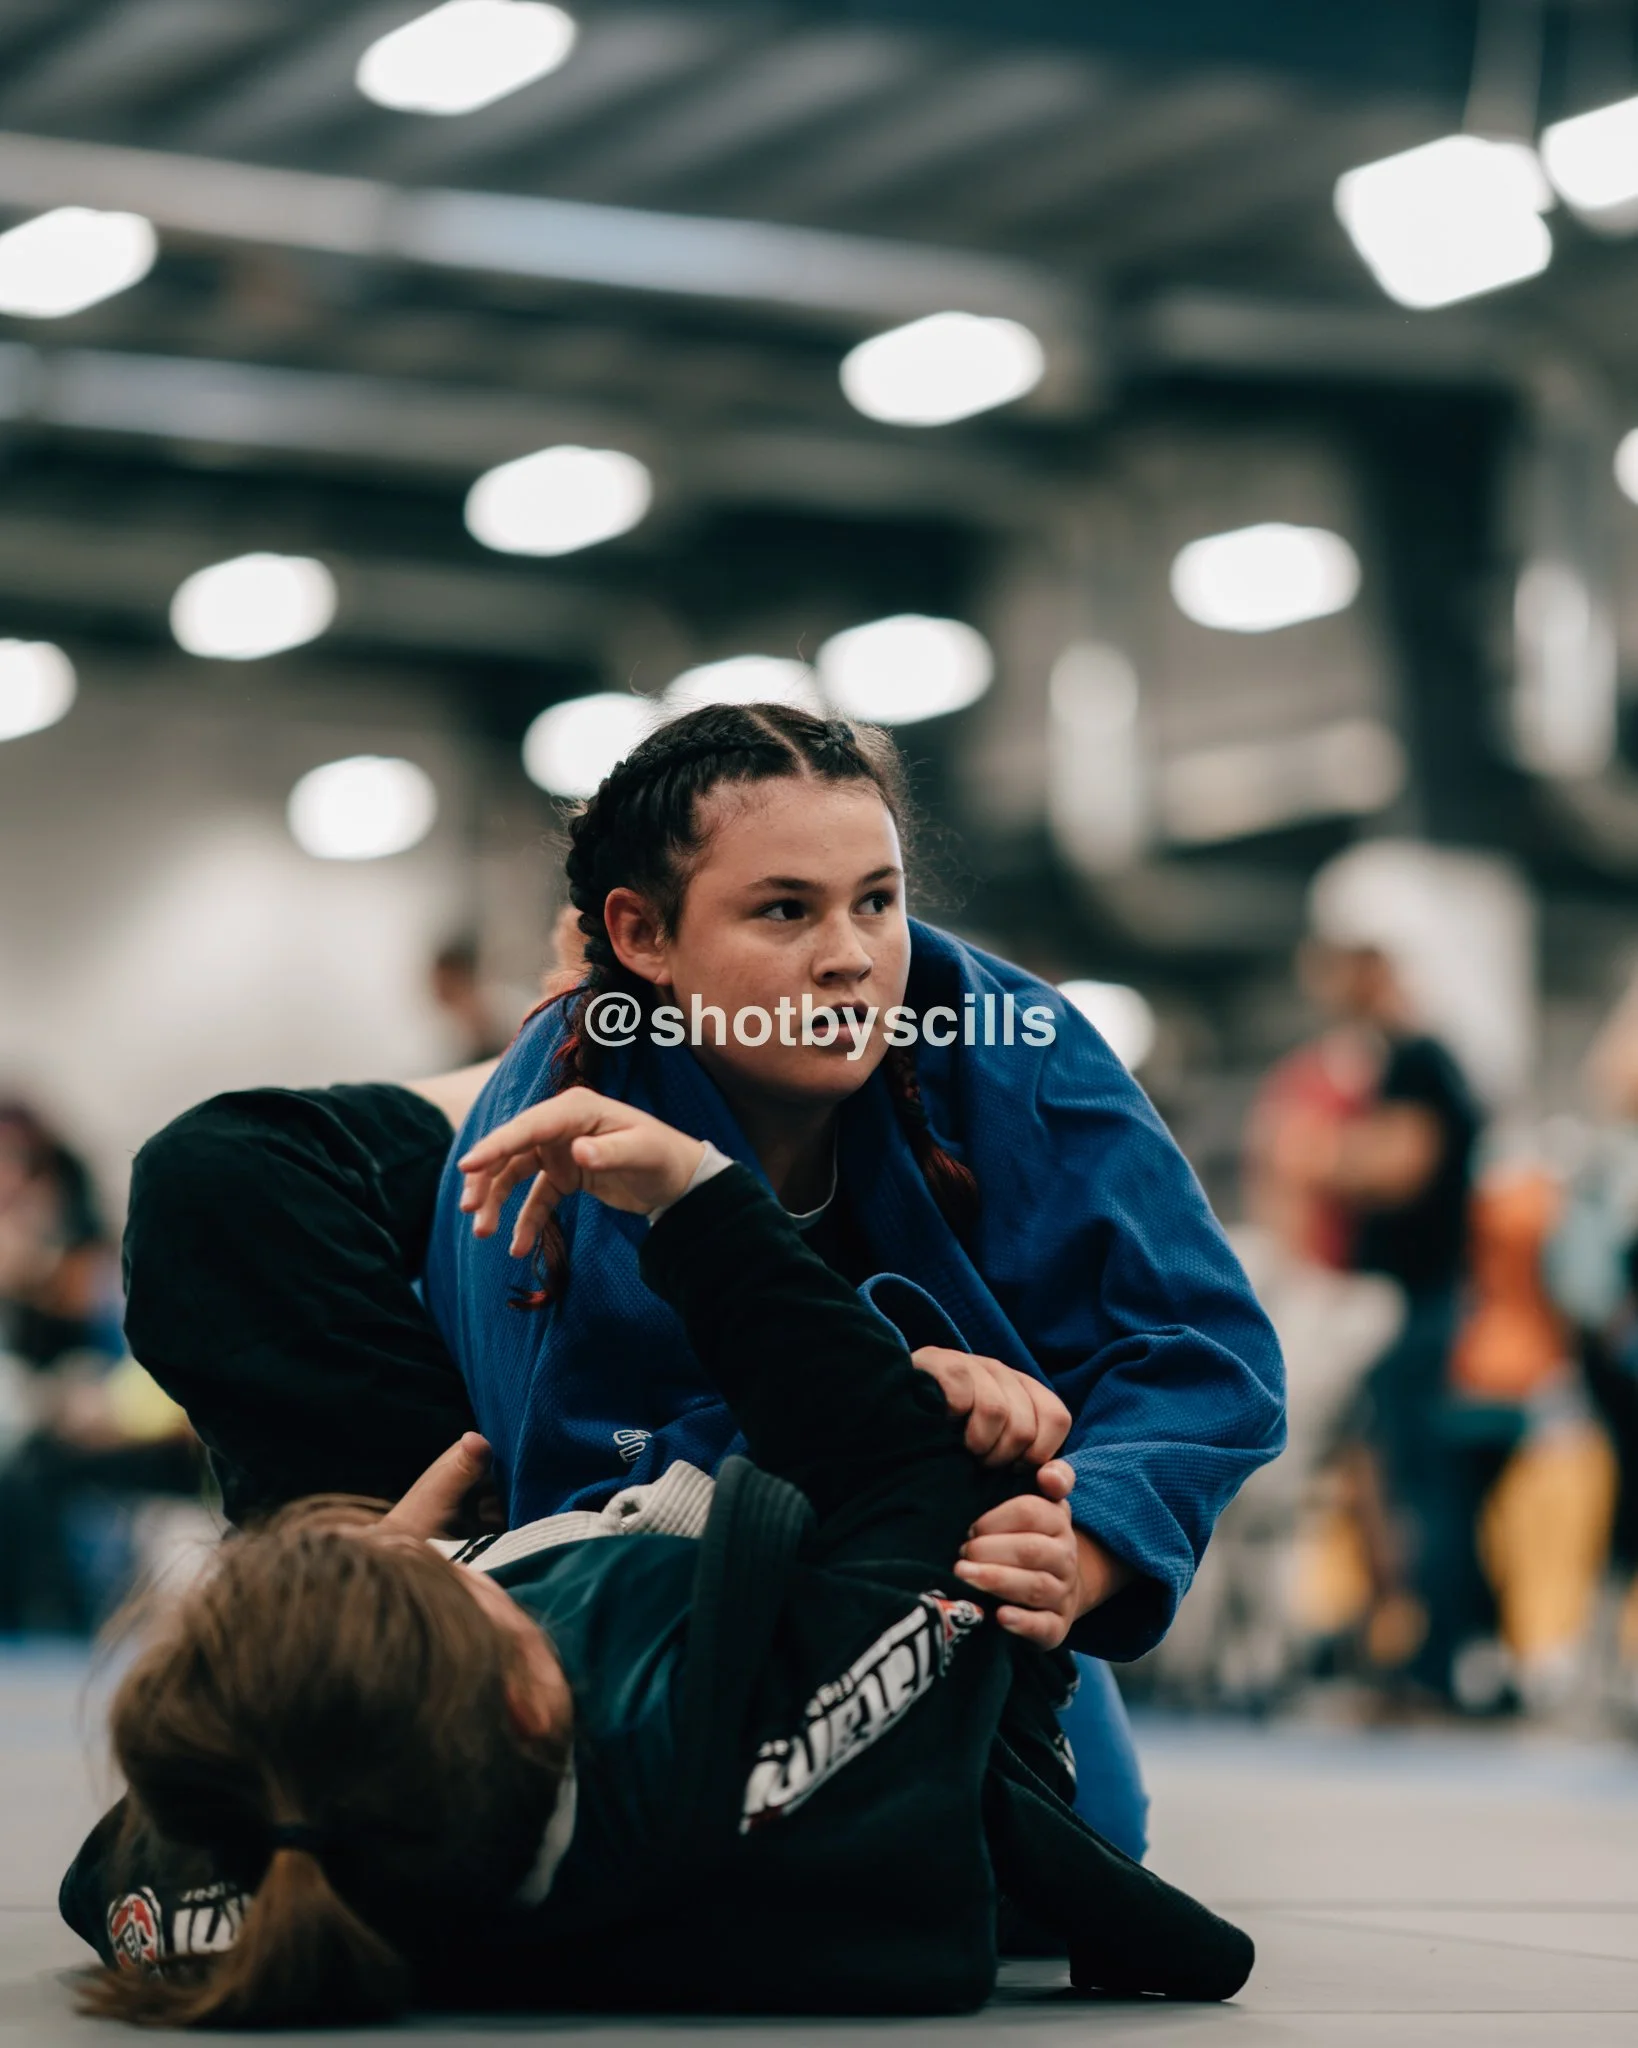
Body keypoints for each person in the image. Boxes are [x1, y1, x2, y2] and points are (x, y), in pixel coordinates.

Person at [119, 703, 1286, 1858]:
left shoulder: (1006, 1037)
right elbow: (603, 1491)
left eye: (878, 900)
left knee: (1085, 1832)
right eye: (784, 909)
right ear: (642, 933)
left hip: (964, 1535)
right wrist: (904, 1385)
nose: (849, 954)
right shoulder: (563, 1123)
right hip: (670, 1554)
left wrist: (1083, 1546)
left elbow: (1203, 1348)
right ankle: (351, 1672)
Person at [63, 1087, 1253, 2026]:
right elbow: (906, 1474)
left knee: (216, 1177)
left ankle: (498, 1099)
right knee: (955, 1407)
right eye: (467, 1591)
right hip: (784, 1537)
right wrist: (695, 1192)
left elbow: (128, 1855)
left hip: (490, 1593)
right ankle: (517, 1092)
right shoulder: (769, 1729)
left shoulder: (339, 1869)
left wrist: (372, 1560)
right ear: (540, 1698)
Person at [1276, 939, 1484, 1700]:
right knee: (1386, 1481)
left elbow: (1400, 1165)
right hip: (1398, 1305)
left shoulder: (1420, 1060)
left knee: (1418, 1484)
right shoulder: (1400, 1063)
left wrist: (1324, 1154)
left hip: (1416, 1307)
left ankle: (1437, 1660)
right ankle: (1408, 1647)